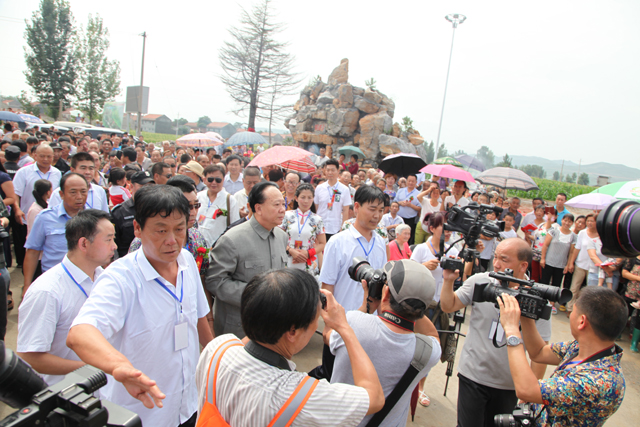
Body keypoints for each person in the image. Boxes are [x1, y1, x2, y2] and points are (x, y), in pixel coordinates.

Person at [67, 185, 213, 427]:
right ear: (137, 229)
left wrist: (214, 358)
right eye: (160, 230)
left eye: (179, 229)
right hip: (144, 413)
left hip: (188, 404)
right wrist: (119, 366)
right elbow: (80, 334)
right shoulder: (120, 278)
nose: (172, 241)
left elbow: (199, 317)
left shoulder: (186, 260)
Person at [196, 269, 384, 426]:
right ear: (292, 332)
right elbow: (374, 398)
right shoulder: (302, 397)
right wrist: (344, 327)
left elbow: (257, 330)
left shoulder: (217, 349)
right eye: (315, 317)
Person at [440, 238, 552, 427]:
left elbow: (540, 353)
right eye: (495, 257)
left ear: (523, 265)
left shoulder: (537, 302)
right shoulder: (480, 281)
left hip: (509, 385)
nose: (497, 264)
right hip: (472, 376)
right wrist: (448, 281)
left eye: (505, 259)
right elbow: (448, 305)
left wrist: (530, 390)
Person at [329, 260, 441, 427]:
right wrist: (413, 307)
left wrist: (368, 305)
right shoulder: (427, 351)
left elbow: (328, 335)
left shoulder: (353, 323)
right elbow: (433, 335)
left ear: (386, 293)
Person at [497, 287, 626, 426]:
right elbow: (539, 352)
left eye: (572, 312)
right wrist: (527, 314)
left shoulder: (599, 382)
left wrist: (511, 330)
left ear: (581, 321)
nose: (570, 315)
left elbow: (526, 390)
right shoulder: (580, 347)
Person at [17, 210, 116, 385]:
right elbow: (30, 356)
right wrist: (92, 367)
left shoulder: (105, 278)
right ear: (84, 244)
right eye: (108, 240)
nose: (114, 246)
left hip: (105, 388)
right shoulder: (47, 291)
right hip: (68, 394)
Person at [206, 182, 288, 338]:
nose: (282, 210)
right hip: (239, 327)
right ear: (258, 208)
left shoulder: (281, 237)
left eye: (283, 204)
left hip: (272, 325)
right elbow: (215, 281)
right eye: (276, 204)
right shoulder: (232, 239)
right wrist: (256, 294)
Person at [23, 173, 89, 296]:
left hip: (85, 284)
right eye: (73, 192)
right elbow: (32, 252)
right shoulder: (45, 218)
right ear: (61, 194)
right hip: (54, 285)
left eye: (83, 192)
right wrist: (27, 285)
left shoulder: (93, 219)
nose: (79, 197)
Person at [279, 183, 326, 274]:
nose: (306, 201)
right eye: (303, 197)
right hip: (287, 260)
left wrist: (308, 253)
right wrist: (291, 250)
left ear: (313, 199)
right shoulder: (287, 215)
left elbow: (323, 243)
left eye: (309, 198)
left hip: (306, 263)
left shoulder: (317, 220)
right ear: (296, 198)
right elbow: (278, 238)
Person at [111, 171, 155, 258]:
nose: (148, 190)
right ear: (131, 186)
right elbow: (113, 243)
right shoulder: (120, 212)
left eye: (150, 186)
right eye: (143, 186)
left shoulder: (158, 209)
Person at [196, 164, 240, 246]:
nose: (214, 182)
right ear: (204, 180)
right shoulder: (198, 197)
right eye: (210, 179)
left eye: (218, 180)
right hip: (198, 245)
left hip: (219, 246)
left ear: (223, 180)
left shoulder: (230, 200)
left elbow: (235, 226)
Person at [540, 213, 576, 309]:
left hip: (560, 265)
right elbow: (545, 245)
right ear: (562, 220)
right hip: (548, 261)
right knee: (544, 282)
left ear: (572, 223)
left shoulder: (573, 236)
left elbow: (571, 252)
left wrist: (567, 265)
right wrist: (543, 258)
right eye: (565, 220)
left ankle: (551, 304)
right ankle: (542, 301)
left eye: (569, 221)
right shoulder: (553, 231)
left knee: (556, 285)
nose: (567, 223)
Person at [565, 213, 599, 315]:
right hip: (580, 264)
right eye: (588, 221)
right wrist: (571, 262)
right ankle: (570, 308)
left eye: (592, 221)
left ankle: (585, 311)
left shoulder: (601, 235)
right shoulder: (582, 233)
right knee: (574, 287)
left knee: (589, 290)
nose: (589, 223)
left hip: (594, 267)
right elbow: (577, 249)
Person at [314, 159, 352, 240]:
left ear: (338, 171)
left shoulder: (344, 189)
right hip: (320, 228)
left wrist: (343, 229)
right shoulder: (319, 188)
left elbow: (346, 211)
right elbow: (316, 207)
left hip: (336, 228)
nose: (330, 172)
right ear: (324, 171)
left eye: (333, 170)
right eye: (328, 170)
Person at [394, 174, 421, 245]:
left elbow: (419, 208)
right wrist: (400, 203)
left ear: (416, 182)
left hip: (410, 219)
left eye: (413, 181)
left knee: (407, 238)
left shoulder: (418, 194)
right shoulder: (400, 191)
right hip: (399, 217)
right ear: (406, 181)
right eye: (409, 181)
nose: (411, 183)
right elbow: (395, 202)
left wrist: (410, 205)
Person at [530, 208, 555, 282]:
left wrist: (550, 220)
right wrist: (527, 234)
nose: (549, 216)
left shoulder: (554, 227)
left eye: (551, 214)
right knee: (534, 273)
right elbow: (535, 237)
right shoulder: (541, 225)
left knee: (542, 275)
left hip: (544, 253)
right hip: (535, 251)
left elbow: (548, 228)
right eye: (547, 214)